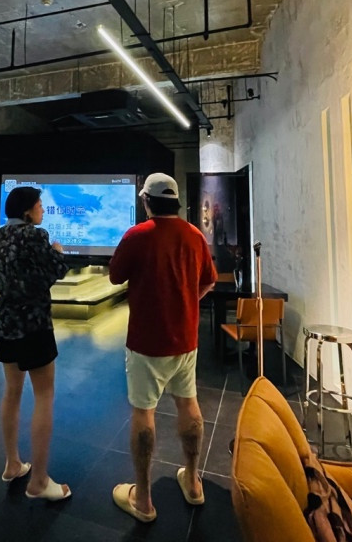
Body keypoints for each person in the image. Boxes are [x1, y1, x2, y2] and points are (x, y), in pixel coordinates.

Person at [108, 172, 217, 523]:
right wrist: (186, 303)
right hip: (185, 340)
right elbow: (209, 281)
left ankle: (143, 499)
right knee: (188, 403)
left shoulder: (137, 235)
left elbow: (115, 276)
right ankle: (194, 482)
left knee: (144, 412)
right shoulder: (195, 235)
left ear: (146, 201)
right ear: (176, 202)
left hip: (146, 341)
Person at [0, 186, 71, 501]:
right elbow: (57, 270)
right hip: (35, 327)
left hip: (6, 326)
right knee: (44, 395)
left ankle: (12, 464)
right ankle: (39, 481)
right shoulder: (36, 237)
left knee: (12, 392)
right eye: (39, 205)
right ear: (27, 212)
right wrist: (58, 251)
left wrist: (2, 273)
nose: (43, 210)